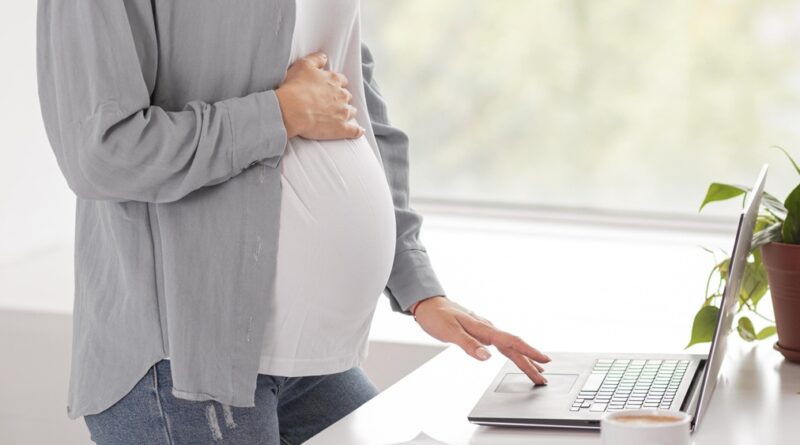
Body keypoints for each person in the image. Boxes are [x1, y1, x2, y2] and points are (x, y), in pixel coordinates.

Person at [36, 0, 550, 443]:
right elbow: (101, 153)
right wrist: (277, 114)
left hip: (310, 360)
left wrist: (415, 284)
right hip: (187, 363)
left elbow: (353, 103)